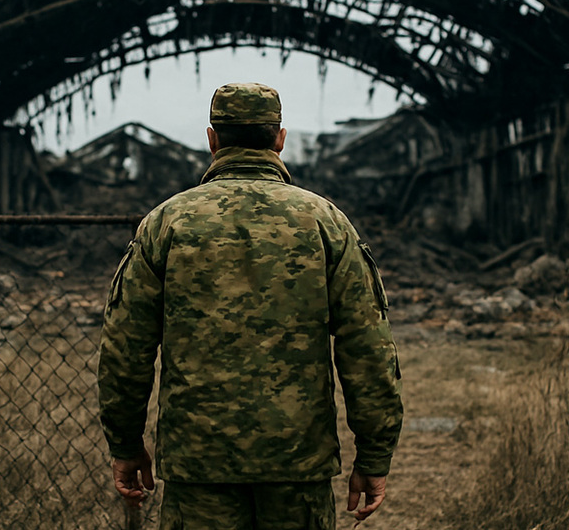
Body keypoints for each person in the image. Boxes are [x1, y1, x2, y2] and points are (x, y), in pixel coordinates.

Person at [97, 82, 403, 529]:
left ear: (212, 139)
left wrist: (125, 443)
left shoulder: (166, 223)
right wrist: (374, 454)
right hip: (297, 462)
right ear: (279, 138)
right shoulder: (326, 222)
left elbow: (125, 349)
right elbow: (368, 348)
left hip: (198, 463)